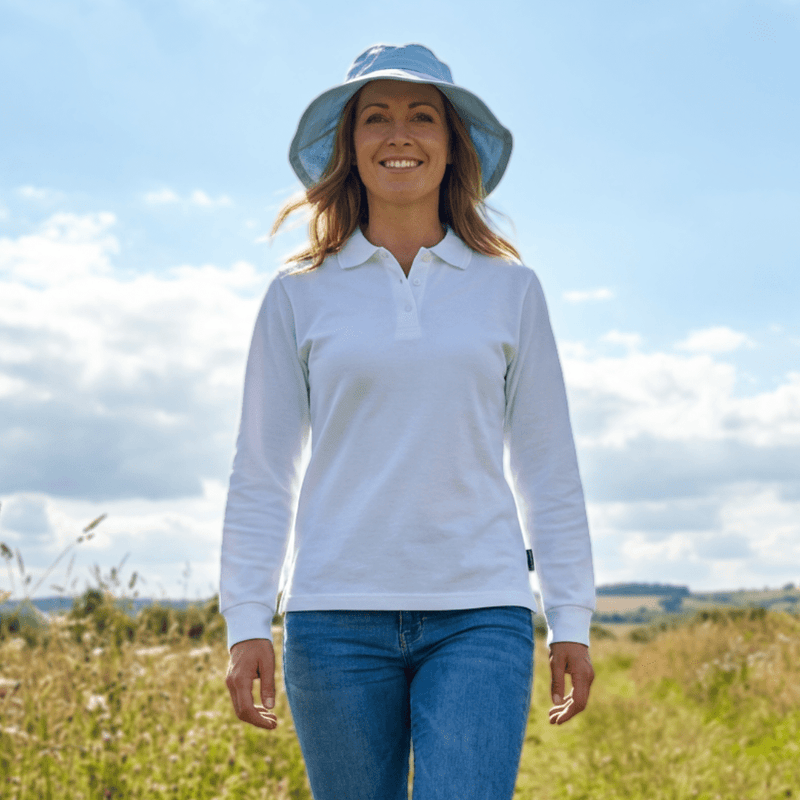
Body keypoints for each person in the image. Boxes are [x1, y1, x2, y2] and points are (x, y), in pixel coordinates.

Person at [220, 43, 596, 800]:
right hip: (333, 621)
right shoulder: (298, 296)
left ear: (452, 145)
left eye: (422, 117)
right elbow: (262, 468)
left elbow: (548, 464)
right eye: (376, 118)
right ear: (349, 146)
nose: (400, 135)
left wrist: (573, 615)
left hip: (479, 616)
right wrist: (246, 617)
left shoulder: (510, 290)